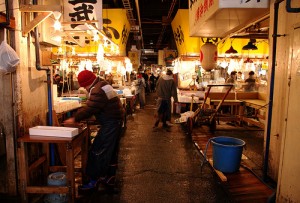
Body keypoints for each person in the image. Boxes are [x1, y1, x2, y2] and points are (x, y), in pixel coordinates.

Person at [64, 70, 124, 193]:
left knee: (97, 151)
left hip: (111, 123)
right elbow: (100, 106)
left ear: (87, 83)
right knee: (110, 151)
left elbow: (91, 108)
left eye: (84, 85)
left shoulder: (97, 90)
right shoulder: (103, 84)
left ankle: (93, 181)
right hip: (115, 121)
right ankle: (109, 178)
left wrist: (75, 118)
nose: (84, 88)